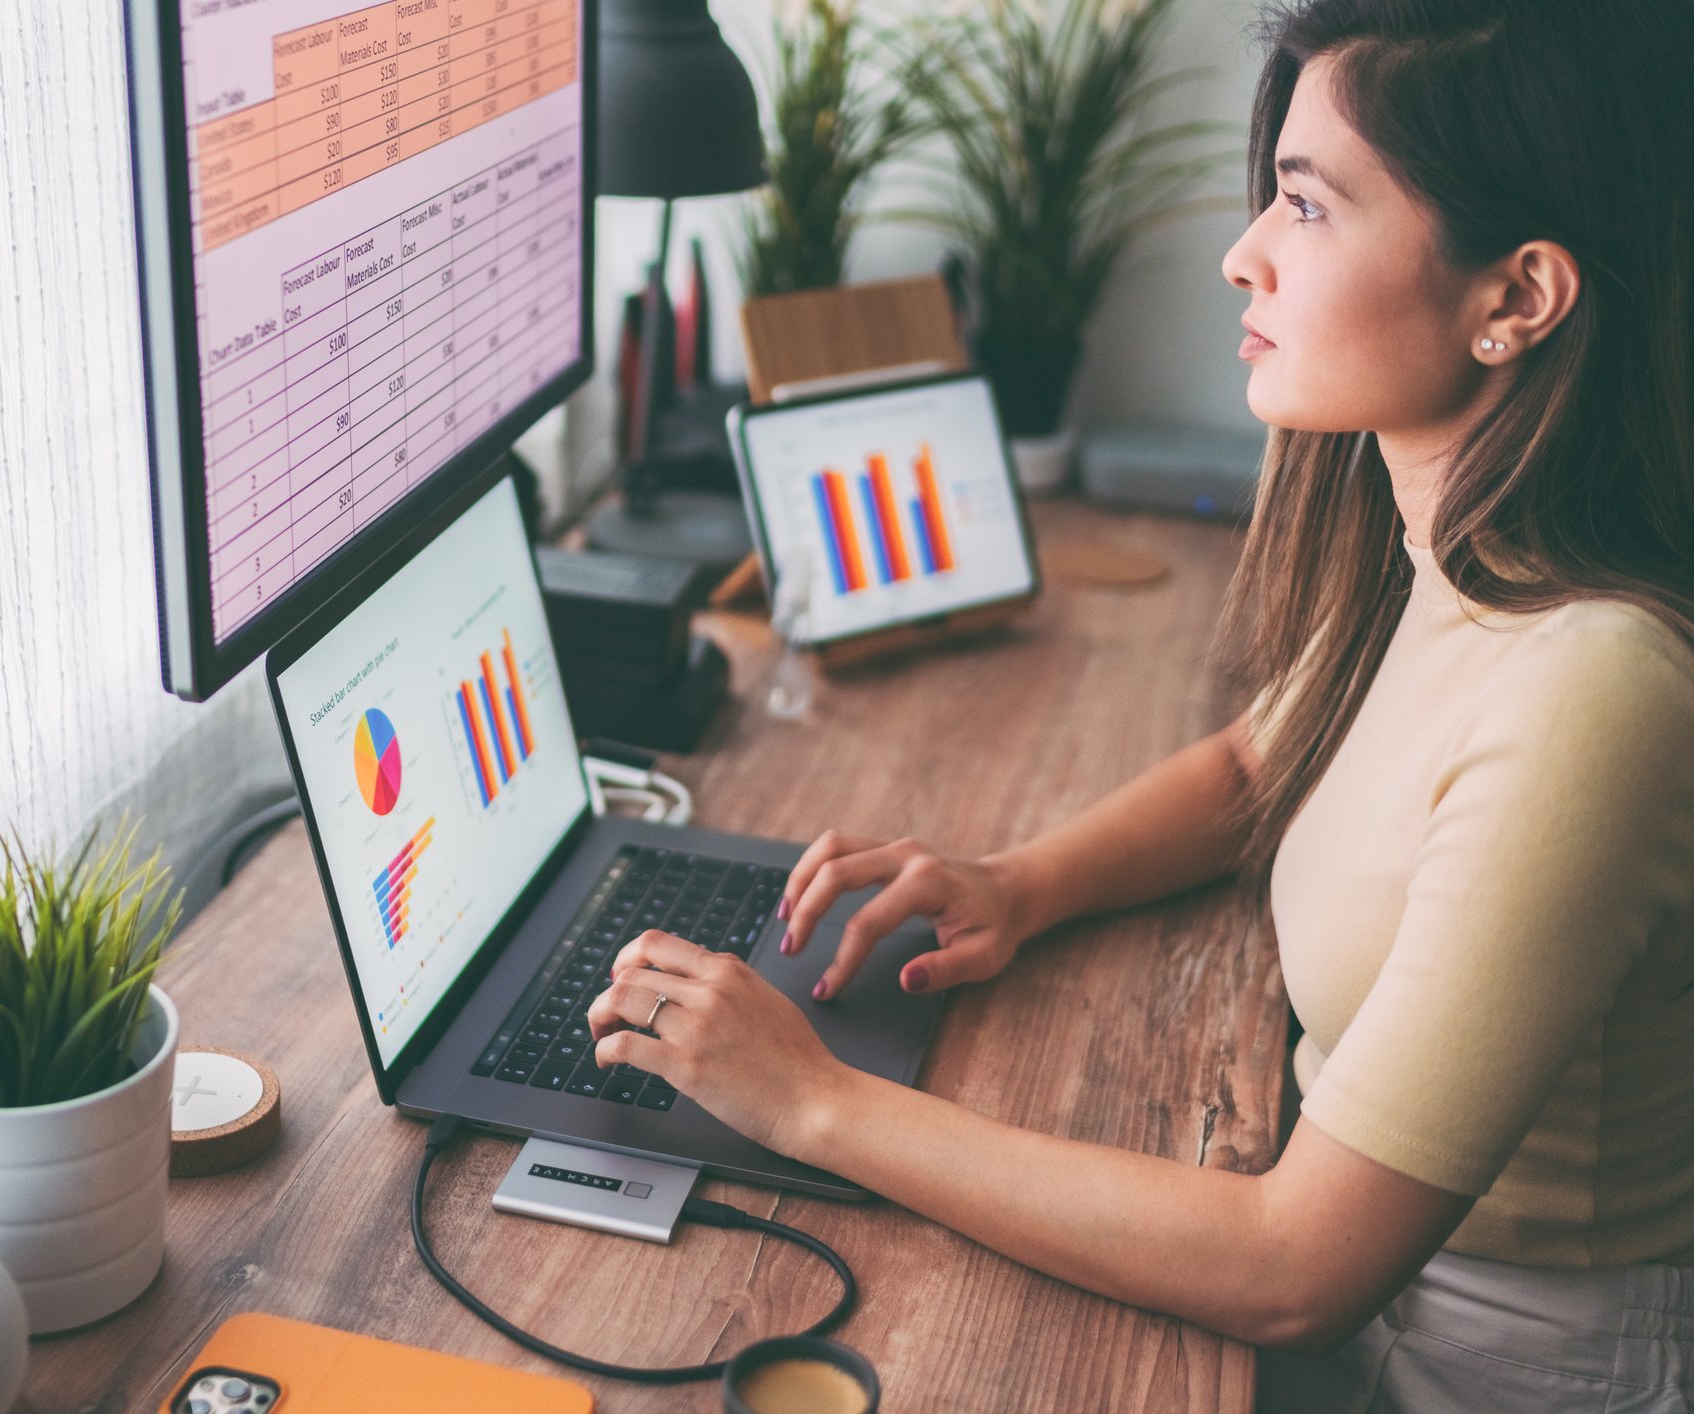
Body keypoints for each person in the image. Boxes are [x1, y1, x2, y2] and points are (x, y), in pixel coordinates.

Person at [584, 1, 1694, 1406]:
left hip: (1504, 1365)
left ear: (1517, 299)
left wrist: (817, 1102)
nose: (1245, 255)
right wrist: (1019, 880)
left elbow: (1296, 1262)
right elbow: (1257, 763)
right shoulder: (1457, 553)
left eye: (1307, 207)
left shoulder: (1595, 689)